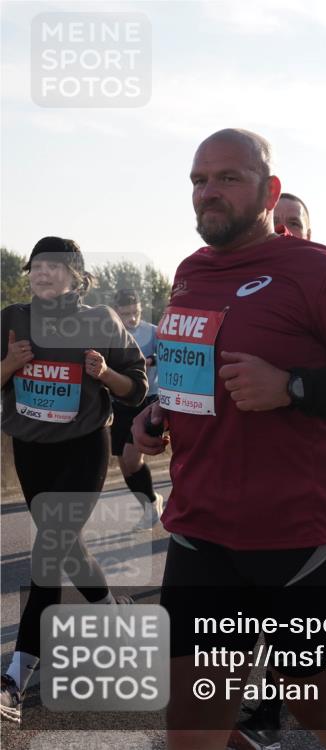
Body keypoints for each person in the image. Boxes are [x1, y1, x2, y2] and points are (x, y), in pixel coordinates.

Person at [131, 128, 326, 750]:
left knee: (314, 697)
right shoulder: (189, 272)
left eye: (227, 178)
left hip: (293, 533)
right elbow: (187, 370)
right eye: (198, 181)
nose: (208, 192)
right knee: (192, 717)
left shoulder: (317, 270)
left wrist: (292, 388)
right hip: (199, 527)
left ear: (270, 191)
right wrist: (157, 411)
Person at [0, 237, 148, 724]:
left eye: (52, 266)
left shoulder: (100, 320)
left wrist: (105, 373)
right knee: (64, 547)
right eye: (35, 266)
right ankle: (110, 611)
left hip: (84, 447)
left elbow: (135, 388)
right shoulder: (11, 319)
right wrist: (9, 366)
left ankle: (13, 680)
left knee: (51, 546)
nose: (41, 274)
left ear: (75, 275)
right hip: (30, 449)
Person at [228, 190, 311, 750]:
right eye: (277, 222)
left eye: (294, 224)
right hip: (222, 495)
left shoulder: (325, 281)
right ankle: (251, 717)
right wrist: (158, 415)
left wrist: (292, 387)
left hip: (300, 502)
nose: (284, 231)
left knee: (301, 665)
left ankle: (285, 714)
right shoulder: (221, 280)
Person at [110, 288, 163, 528]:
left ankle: (152, 502)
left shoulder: (152, 332)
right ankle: (149, 507)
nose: (132, 318)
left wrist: (149, 360)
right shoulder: (111, 333)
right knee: (124, 465)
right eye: (126, 314)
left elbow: (169, 356)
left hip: (147, 400)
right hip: (119, 403)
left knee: (132, 460)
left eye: (136, 312)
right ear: (116, 313)